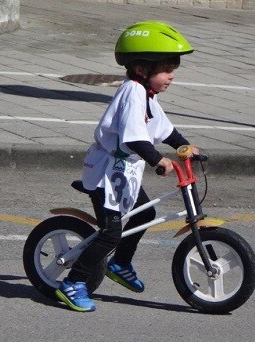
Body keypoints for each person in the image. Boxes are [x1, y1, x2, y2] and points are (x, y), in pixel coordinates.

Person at [55, 21, 198, 312]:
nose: (172, 77)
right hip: (105, 171)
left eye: (173, 70)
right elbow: (134, 138)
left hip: (123, 170)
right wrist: (158, 161)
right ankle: (73, 282)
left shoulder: (145, 94)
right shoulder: (133, 92)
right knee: (110, 233)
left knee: (145, 212)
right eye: (167, 70)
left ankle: (120, 263)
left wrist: (184, 146)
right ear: (142, 69)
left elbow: (163, 129)